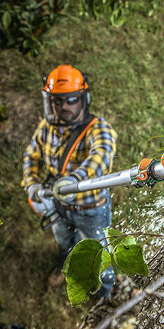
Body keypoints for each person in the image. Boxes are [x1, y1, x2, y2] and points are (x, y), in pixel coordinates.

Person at [22, 64, 117, 298]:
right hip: (59, 205)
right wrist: (31, 184)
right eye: (57, 100)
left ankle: (104, 294)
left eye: (71, 100)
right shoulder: (46, 127)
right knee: (64, 241)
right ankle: (65, 266)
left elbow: (100, 157)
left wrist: (75, 180)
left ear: (83, 99)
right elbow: (31, 157)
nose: (64, 106)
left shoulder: (99, 129)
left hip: (90, 209)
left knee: (98, 254)